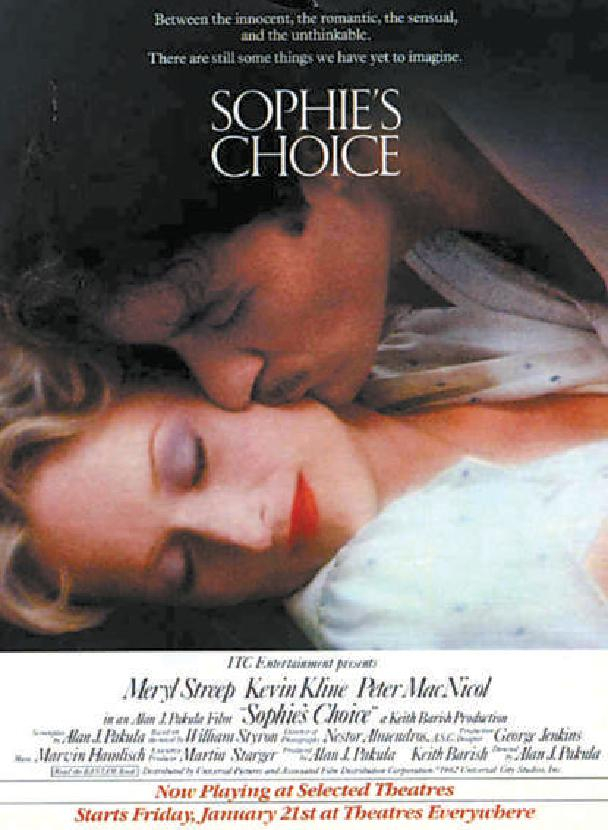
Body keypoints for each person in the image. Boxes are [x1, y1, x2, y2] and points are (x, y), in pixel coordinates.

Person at [2, 2, 607, 412]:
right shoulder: (419, 296)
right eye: (176, 359)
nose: (228, 390)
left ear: (315, 153)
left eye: (224, 312)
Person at [1, 344, 607, 648]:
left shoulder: (417, 342)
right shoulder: (395, 609)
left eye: (193, 462)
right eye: (183, 569)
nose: (249, 529)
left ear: (197, 369)